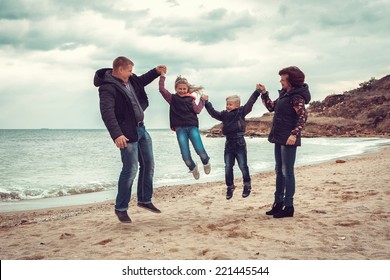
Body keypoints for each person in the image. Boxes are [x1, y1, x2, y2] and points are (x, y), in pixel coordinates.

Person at [93, 56, 166, 223]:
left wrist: (156, 72)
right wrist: (116, 135)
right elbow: (107, 113)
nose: (132, 73)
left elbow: (142, 81)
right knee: (130, 169)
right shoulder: (107, 88)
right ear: (120, 70)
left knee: (149, 164)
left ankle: (144, 200)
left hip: (141, 128)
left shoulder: (130, 80)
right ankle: (121, 208)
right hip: (126, 133)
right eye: (129, 70)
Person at [258, 66, 311, 218]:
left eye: (283, 79)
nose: (280, 81)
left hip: (289, 138)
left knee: (287, 172)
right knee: (279, 170)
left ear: (291, 81)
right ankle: (278, 203)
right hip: (279, 136)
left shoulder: (296, 97)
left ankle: (289, 206)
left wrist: (294, 134)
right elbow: (271, 107)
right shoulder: (284, 94)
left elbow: (303, 117)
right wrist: (264, 93)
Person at [203, 85, 261, 199]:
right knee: (228, 166)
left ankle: (247, 185)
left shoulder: (241, 112)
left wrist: (257, 91)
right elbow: (213, 113)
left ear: (237, 105)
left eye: (230, 104)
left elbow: (250, 103)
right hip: (228, 143)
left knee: (243, 165)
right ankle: (230, 186)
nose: (228, 106)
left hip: (240, 142)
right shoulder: (224, 115)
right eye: (227, 104)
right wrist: (206, 103)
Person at [158, 71, 211, 179]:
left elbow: (197, 110)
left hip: (192, 127)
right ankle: (192, 168)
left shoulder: (191, 99)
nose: (182, 91)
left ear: (187, 89)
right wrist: (162, 76)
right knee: (185, 156)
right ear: (176, 89)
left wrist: (202, 101)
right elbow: (162, 90)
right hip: (180, 129)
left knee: (200, 150)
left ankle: (206, 162)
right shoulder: (172, 98)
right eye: (179, 89)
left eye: (184, 89)